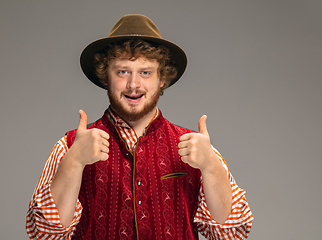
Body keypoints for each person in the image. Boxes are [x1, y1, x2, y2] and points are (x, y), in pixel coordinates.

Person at [26, 14, 253, 240]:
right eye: (122, 71)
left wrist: (211, 166)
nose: (133, 84)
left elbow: (232, 234)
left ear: (162, 79)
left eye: (145, 72)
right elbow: (44, 234)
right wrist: (74, 163)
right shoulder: (70, 146)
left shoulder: (197, 148)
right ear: (106, 77)